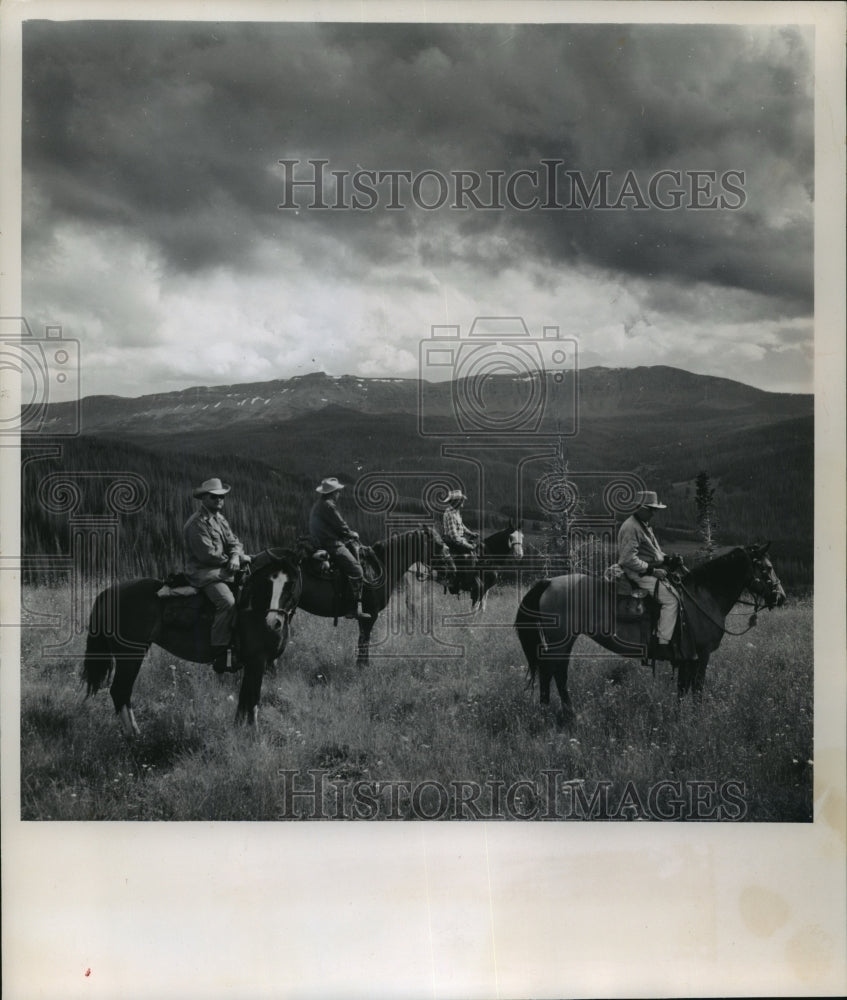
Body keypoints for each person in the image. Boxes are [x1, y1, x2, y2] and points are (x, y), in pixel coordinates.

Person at [184, 477, 251, 673]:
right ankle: (219, 653)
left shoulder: (219, 518)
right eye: (214, 497)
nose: (219, 500)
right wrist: (231, 560)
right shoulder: (196, 524)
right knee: (227, 603)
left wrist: (236, 555)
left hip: (226, 567)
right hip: (205, 573)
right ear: (204, 498)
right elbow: (207, 555)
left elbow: (234, 541)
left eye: (222, 497)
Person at [616, 489, 679, 658]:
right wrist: (652, 570)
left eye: (655, 509)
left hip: (645, 570)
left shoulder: (642, 525)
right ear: (640, 507)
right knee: (671, 600)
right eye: (652, 509)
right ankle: (662, 644)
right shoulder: (632, 527)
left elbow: (653, 553)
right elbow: (627, 559)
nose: (654, 513)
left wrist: (668, 560)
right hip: (638, 574)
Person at [309, 477, 371, 619]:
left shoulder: (320, 504)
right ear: (332, 493)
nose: (339, 494)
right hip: (330, 544)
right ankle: (352, 608)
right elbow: (340, 525)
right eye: (337, 491)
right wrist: (352, 534)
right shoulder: (329, 505)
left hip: (320, 541)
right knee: (357, 569)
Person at [441, 489, 479, 592]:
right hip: (452, 541)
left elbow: (461, 526)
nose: (463, 502)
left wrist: (470, 533)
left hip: (458, 539)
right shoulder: (449, 513)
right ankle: (461, 582)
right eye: (461, 500)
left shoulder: (456, 512)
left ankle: (467, 579)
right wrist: (467, 545)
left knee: (476, 552)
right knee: (469, 555)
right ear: (456, 501)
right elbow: (454, 536)